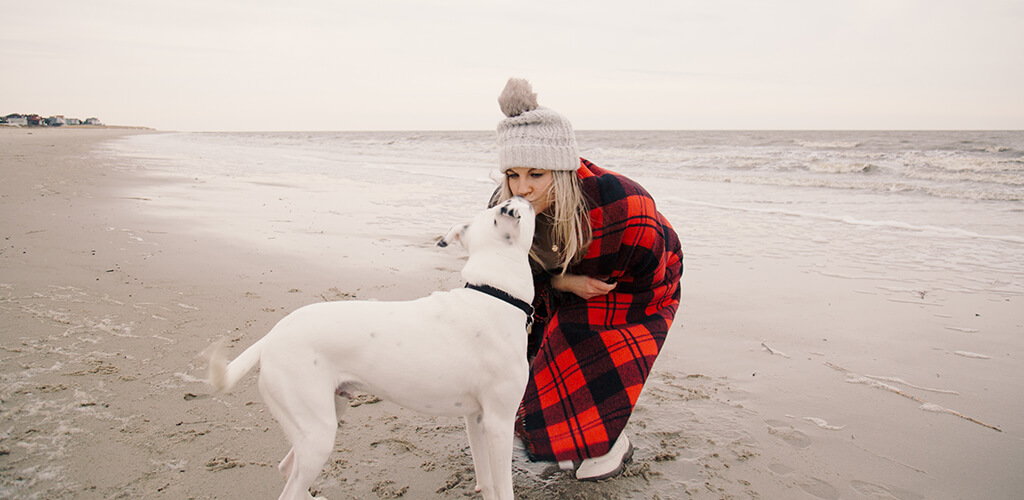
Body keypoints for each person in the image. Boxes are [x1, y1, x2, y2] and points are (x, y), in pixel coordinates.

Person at [489, 78, 683, 481]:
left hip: (637, 282)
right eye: (512, 174)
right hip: (560, 283)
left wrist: (607, 307)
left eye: (536, 175)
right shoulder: (505, 207)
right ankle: (569, 435)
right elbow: (502, 271)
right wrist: (563, 284)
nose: (521, 189)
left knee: (583, 342)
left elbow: (656, 260)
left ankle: (610, 441)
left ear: (560, 170)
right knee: (532, 348)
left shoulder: (619, 201)